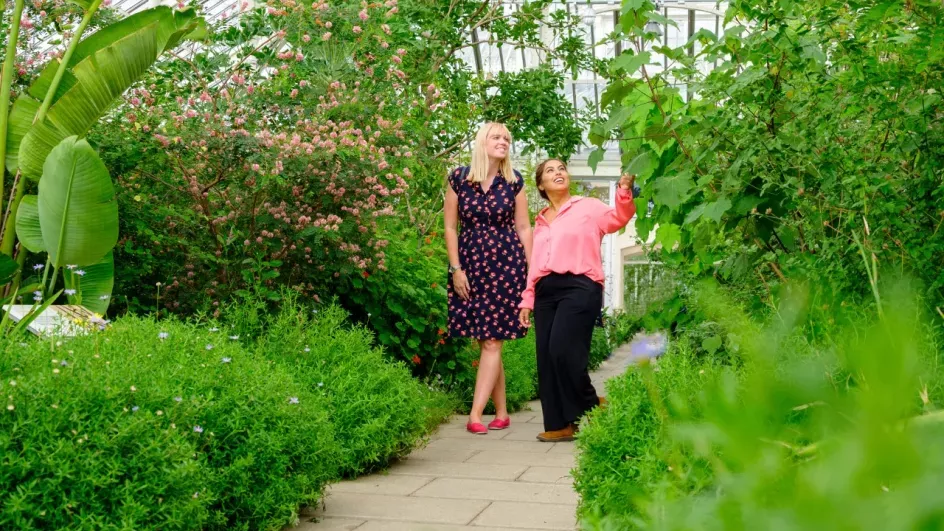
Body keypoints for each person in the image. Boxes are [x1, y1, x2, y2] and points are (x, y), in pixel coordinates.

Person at [518, 159, 636, 442]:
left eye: (561, 169)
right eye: (550, 171)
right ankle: (561, 424)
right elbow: (535, 265)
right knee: (546, 357)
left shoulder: (588, 207)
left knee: (562, 349)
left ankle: (591, 404)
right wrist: (527, 299)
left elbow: (618, 218)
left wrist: (623, 190)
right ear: (541, 185)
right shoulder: (542, 221)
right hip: (546, 290)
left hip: (581, 285)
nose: (558, 173)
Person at [445, 122, 532, 435]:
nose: (504, 142)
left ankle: (475, 415)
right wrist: (456, 269)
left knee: (492, 341)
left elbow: (524, 228)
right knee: (486, 341)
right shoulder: (458, 178)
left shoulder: (514, 181)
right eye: (497, 137)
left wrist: (531, 277)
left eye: (507, 138)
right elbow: (451, 227)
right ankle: (503, 412)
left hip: (506, 266)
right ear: (482, 142)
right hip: (469, 265)